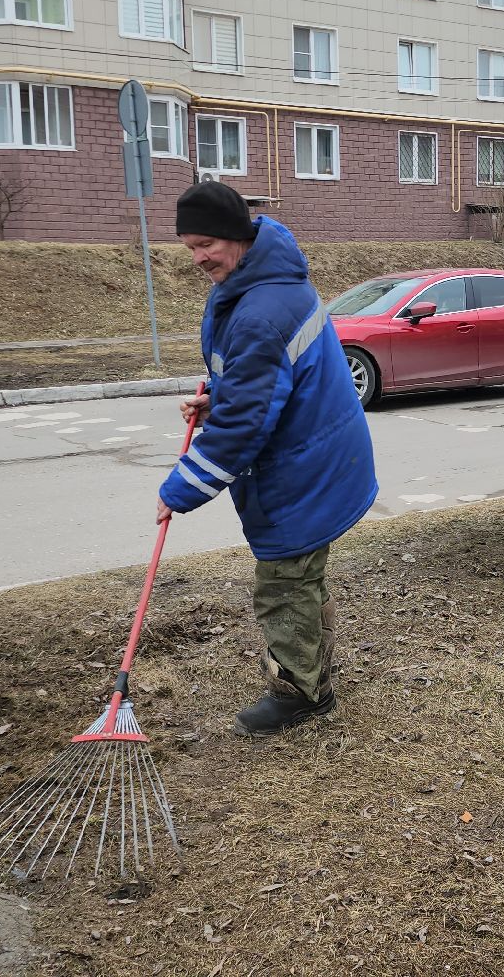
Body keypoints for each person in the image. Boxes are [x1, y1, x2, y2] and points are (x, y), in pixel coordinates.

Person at [155, 181, 377, 736]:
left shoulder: (260, 309)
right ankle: (316, 670)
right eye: (190, 247)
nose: (199, 257)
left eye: (207, 243)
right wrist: (218, 398)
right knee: (304, 573)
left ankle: (301, 691)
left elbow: (245, 426)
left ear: (236, 234)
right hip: (317, 452)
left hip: (301, 469)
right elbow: (265, 383)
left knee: (284, 581)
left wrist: (179, 490)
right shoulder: (265, 276)